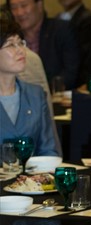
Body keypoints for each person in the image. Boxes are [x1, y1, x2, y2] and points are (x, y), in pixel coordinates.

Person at [0, 15, 60, 156]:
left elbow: (49, 149)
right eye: (11, 45)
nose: (21, 50)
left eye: (21, 43)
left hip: (33, 171)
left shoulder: (36, 94)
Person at [7, 0, 80, 90]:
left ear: (39, 5)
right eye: (14, 7)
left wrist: (42, 93)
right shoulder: (10, 40)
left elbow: (70, 73)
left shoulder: (62, 30)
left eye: (24, 5)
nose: (19, 12)